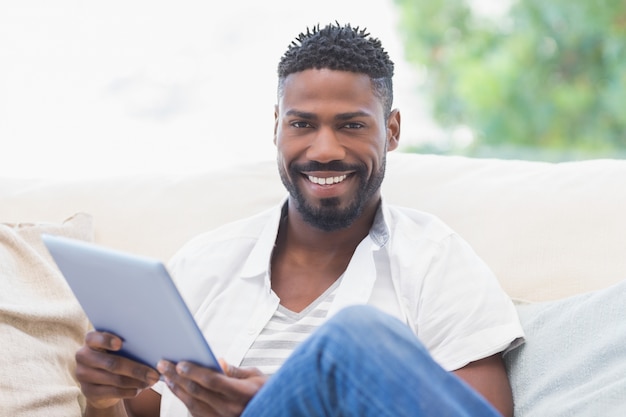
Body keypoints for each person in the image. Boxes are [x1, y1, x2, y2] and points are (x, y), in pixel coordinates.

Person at [75, 23, 524, 417]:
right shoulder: (203, 265)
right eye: (302, 125)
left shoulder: (436, 260)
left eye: (351, 125)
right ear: (276, 127)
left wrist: (285, 402)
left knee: (357, 337)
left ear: (391, 130)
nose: (324, 150)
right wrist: (102, 397)